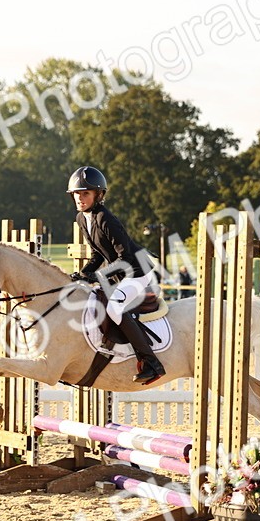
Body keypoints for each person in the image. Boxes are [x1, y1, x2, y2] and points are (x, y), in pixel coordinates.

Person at [66, 165, 166, 384]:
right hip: (120, 274)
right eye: (77, 194)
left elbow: (126, 257)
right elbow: (96, 254)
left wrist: (99, 277)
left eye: (85, 193)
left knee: (114, 307)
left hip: (138, 272)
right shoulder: (82, 219)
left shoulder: (105, 218)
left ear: (98, 195)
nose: (80, 198)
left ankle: (151, 362)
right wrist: (83, 274)